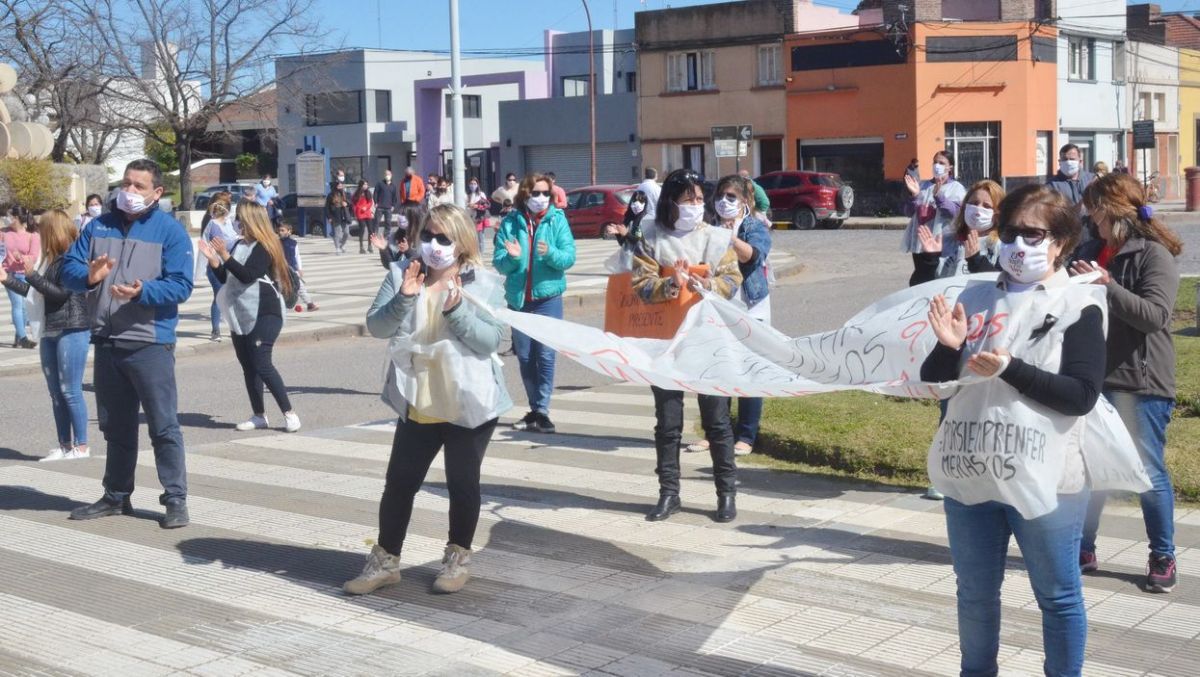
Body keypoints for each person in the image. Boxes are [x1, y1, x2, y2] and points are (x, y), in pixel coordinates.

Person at [921, 184, 1100, 677]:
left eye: (1033, 234)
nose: (1019, 244)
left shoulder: (1079, 303)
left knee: (1057, 596)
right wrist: (948, 348)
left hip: (1048, 479)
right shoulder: (976, 294)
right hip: (973, 471)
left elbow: (1081, 394)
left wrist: (1010, 369)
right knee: (975, 593)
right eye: (1011, 232)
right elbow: (937, 382)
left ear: (1061, 242)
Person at [345, 204, 511, 596]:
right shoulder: (402, 274)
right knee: (400, 483)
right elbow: (376, 326)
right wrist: (404, 298)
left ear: (462, 242)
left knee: (462, 482)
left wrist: (457, 312)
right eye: (428, 236)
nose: (434, 245)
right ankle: (386, 562)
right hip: (420, 399)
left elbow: (492, 340)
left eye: (443, 238)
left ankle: (457, 559)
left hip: (470, 401)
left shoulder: (482, 282)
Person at [61, 158, 194, 529]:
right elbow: (67, 269)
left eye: (139, 186)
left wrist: (143, 291)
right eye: (126, 183)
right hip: (106, 341)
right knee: (115, 426)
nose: (129, 191)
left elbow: (181, 285)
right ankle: (117, 495)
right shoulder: (98, 225)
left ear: (156, 192)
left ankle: (175, 499)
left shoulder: (170, 231)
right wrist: (89, 276)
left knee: (163, 426)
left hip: (149, 343)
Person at [1074, 173, 1184, 593]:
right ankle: (1083, 547)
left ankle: (1162, 554)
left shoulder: (1152, 254)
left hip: (1140, 381)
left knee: (1146, 471)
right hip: (1094, 377)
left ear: (1114, 211)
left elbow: (1155, 316)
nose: (1090, 218)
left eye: (1095, 210)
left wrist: (1108, 286)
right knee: (1092, 468)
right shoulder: (1090, 250)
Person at [632, 168, 743, 523]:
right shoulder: (651, 237)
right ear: (671, 201)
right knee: (667, 423)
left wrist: (709, 284)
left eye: (698, 199)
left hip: (708, 339)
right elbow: (641, 285)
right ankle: (669, 493)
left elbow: (732, 280)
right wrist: (671, 284)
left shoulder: (716, 238)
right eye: (687, 199)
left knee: (717, 421)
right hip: (666, 342)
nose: (695, 205)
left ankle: (726, 493)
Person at [197, 201, 301, 434]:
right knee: (248, 365)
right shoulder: (238, 245)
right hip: (240, 312)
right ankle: (259, 415)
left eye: (241, 219)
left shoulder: (265, 246)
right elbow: (227, 277)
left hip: (265, 311)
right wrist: (214, 260)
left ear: (252, 221)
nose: (237, 223)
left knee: (262, 362)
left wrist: (224, 254)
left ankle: (289, 413)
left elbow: (248, 275)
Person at [0, 210, 92, 461]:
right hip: (50, 328)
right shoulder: (48, 260)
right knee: (56, 392)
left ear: (53, 231)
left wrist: (31, 274)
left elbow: (60, 294)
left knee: (70, 390)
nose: (38, 233)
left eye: (42, 229)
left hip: (71, 327)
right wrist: (7, 279)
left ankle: (81, 446)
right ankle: (64, 445)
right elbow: (36, 293)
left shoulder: (72, 259)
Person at [493, 173, 576, 434]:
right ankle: (533, 409)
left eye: (545, 194)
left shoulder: (557, 220)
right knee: (526, 357)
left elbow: (569, 257)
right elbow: (499, 262)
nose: (541, 198)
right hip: (519, 300)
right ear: (525, 194)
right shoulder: (511, 221)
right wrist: (513, 258)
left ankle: (542, 410)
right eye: (535, 193)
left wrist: (549, 253)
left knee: (546, 355)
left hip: (547, 299)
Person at [718, 175, 772, 456]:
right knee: (718, 370)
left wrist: (731, 239)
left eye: (731, 197)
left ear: (744, 201)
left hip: (751, 308)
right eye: (720, 196)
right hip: (719, 308)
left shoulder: (754, 226)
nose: (724, 202)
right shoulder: (710, 226)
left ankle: (747, 435)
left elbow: (753, 256)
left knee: (750, 372)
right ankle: (717, 431)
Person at [910, 179, 1006, 285]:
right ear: (965, 207)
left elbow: (1003, 286)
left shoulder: (1002, 248)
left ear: (997, 215)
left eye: (986, 206)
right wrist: (929, 260)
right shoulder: (945, 241)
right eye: (974, 203)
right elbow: (917, 286)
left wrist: (976, 261)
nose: (978, 210)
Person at [902, 150, 966, 284]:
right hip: (921, 244)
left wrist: (939, 196)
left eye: (942, 163)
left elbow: (953, 213)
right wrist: (914, 196)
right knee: (921, 280)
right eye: (935, 162)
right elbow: (909, 212)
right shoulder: (923, 185)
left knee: (939, 280)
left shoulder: (956, 188)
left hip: (943, 246)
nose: (937, 165)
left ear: (950, 167)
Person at [202, 198, 240, 342]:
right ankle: (215, 330)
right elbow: (222, 245)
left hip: (228, 264)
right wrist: (238, 240)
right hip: (216, 265)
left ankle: (234, 328)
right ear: (226, 211)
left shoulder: (227, 223)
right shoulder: (214, 225)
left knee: (231, 297)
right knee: (219, 296)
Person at [3, 208, 40, 348]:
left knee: (24, 307)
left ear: (17, 218)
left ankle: (19, 336)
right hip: (9, 274)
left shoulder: (33, 236)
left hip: (25, 274)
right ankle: (23, 338)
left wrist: (21, 257)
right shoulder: (3, 233)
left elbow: (34, 256)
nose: (6, 218)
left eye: (9, 215)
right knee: (17, 304)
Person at [278, 222, 319, 313]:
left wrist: (299, 268)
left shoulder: (293, 243)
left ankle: (309, 304)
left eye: (282, 230)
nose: (280, 232)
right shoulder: (277, 243)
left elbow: (297, 256)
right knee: (280, 288)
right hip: (281, 270)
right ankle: (279, 308)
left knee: (299, 286)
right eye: (279, 230)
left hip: (293, 270)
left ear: (289, 231)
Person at [325, 182, 351, 255]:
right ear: (335, 187)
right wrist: (329, 217)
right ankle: (337, 248)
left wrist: (346, 203)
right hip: (335, 216)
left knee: (346, 233)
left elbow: (350, 203)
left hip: (344, 215)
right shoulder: (331, 195)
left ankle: (341, 245)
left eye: (341, 186)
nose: (340, 187)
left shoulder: (345, 194)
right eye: (339, 186)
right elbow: (327, 207)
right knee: (337, 233)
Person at [374, 169, 400, 242]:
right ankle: (374, 235)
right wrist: (376, 202)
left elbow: (394, 197)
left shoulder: (393, 186)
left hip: (388, 208)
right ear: (384, 175)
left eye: (388, 174)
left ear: (391, 175)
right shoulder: (380, 184)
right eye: (386, 174)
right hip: (380, 207)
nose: (387, 176)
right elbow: (375, 193)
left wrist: (393, 206)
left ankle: (386, 237)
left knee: (388, 223)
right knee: (376, 222)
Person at [466, 178, 490, 254]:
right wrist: (468, 205)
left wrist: (476, 206)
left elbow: (486, 205)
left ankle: (481, 253)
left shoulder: (481, 194)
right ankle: (473, 252)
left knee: (480, 236)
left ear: (477, 184)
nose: (472, 185)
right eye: (471, 184)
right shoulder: (467, 194)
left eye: (474, 184)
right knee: (471, 236)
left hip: (479, 217)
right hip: (469, 217)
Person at [353, 180, 375, 255]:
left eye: (366, 184)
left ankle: (369, 245)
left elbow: (370, 202)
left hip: (367, 212)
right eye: (364, 184)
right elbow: (354, 204)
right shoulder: (356, 193)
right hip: (360, 213)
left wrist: (366, 207)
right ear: (361, 185)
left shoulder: (368, 193)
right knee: (362, 229)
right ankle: (361, 247)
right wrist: (356, 211)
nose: (366, 186)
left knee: (371, 230)